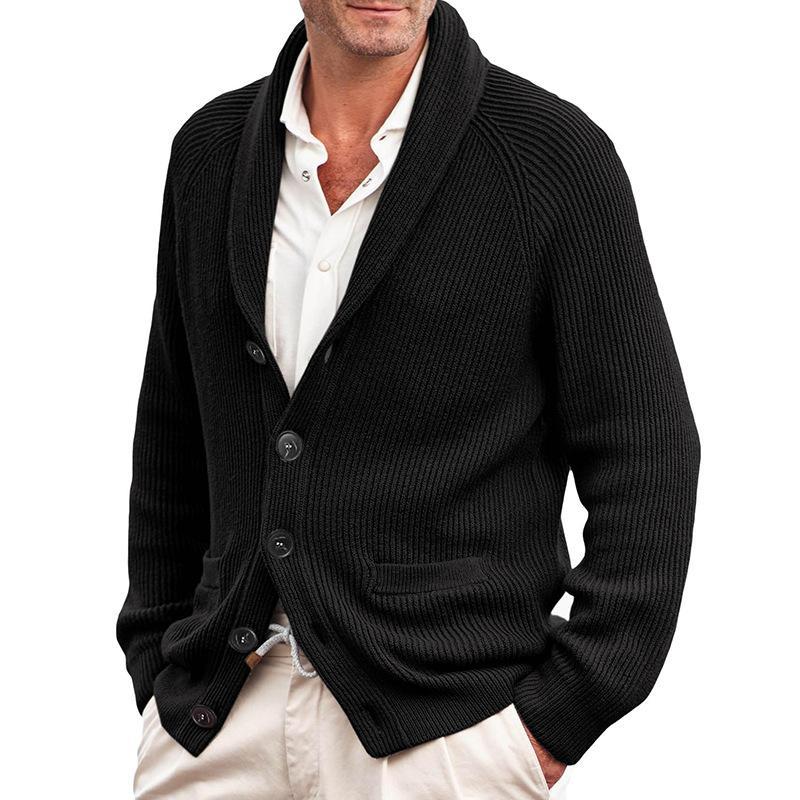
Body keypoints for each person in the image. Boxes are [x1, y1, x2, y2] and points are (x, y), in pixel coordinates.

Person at [117, 1, 701, 797]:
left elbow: (648, 451)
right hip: (215, 722)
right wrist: (155, 662)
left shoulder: (550, 159)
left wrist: (562, 713)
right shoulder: (209, 155)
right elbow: (172, 433)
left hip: (444, 735)